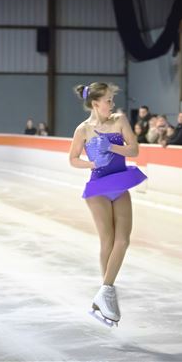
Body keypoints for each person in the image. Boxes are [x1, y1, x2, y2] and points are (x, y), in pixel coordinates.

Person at [68, 82, 147, 326]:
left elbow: (134, 150)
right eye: (108, 100)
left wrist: (111, 146)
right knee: (108, 240)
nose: (112, 104)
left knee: (123, 240)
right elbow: (72, 159)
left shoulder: (119, 120)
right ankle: (107, 293)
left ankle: (105, 291)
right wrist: (93, 164)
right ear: (95, 104)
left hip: (120, 183)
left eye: (112, 100)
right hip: (99, 187)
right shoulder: (82, 130)